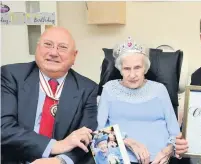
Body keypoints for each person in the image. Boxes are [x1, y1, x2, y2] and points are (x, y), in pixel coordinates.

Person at [1, 27, 98, 164]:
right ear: (37, 48)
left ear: (74, 56)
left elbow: (87, 136)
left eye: (62, 47)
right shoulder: (11, 75)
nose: (53, 53)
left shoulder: (87, 88)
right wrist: (54, 145)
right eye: (48, 45)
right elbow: (3, 127)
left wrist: (61, 160)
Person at [97, 37, 181, 164]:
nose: (132, 75)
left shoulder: (159, 90)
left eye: (137, 68)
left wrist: (167, 151)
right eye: (126, 69)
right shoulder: (109, 89)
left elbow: (175, 133)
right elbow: (98, 131)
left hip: (158, 160)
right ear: (120, 69)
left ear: (145, 68)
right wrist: (126, 141)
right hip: (119, 159)